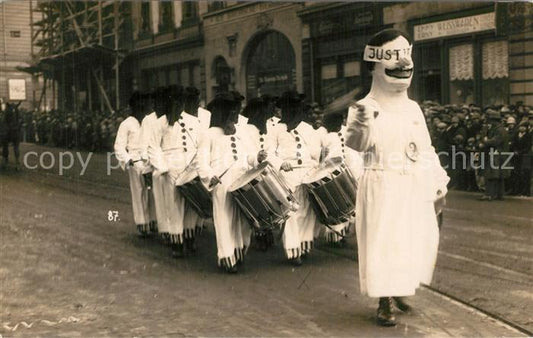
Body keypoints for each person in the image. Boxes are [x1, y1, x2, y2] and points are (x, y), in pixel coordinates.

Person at [344, 29, 449, 327]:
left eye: (406, 63)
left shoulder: (413, 108)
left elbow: (426, 148)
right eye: (394, 63)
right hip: (382, 184)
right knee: (384, 243)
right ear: (374, 67)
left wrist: (437, 183)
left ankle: (401, 288)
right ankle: (384, 301)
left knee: (412, 240)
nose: (402, 69)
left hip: (413, 183)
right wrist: (363, 121)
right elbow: (356, 145)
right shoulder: (364, 107)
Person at [266, 90, 324, 266]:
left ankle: (304, 245)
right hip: (287, 174)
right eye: (291, 108)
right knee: (291, 213)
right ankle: (293, 250)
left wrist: (318, 163)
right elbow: (269, 152)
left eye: (297, 108)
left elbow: (315, 153)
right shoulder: (276, 130)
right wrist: (280, 163)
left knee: (306, 211)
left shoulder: (307, 128)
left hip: (306, 172)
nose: (295, 111)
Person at [198, 91, 252, 273]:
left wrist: (255, 158)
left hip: (240, 179)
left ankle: (238, 251)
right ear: (225, 114)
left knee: (241, 218)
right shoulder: (210, 134)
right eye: (234, 113)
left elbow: (247, 155)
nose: (236, 117)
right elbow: (202, 162)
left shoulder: (239, 133)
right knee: (223, 218)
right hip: (221, 182)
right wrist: (209, 175)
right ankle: (227, 256)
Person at [114, 92, 151, 236]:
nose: (143, 107)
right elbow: (119, 145)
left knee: (153, 193)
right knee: (139, 191)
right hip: (135, 161)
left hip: (149, 159)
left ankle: (153, 220)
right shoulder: (127, 124)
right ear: (133, 106)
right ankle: (142, 223)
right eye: (139, 104)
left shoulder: (149, 122)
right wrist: (127, 159)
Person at [478, 109, 510, 201]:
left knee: (491, 175)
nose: (488, 121)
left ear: (494, 120)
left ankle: (490, 194)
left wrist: (484, 141)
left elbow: (495, 141)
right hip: (498, 154)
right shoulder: (498, 128)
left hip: (497, 155)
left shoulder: (500, 130)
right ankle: (498, 194)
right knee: (498, 176)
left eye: (490, 119)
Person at [1, 101, 22, 170]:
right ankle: (6, 161)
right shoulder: (6, 112)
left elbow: (19, 118)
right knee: (5, 145)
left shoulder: (14, 112)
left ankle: (17, 162)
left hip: (13, 128)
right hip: (6, 128)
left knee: (16, 147)